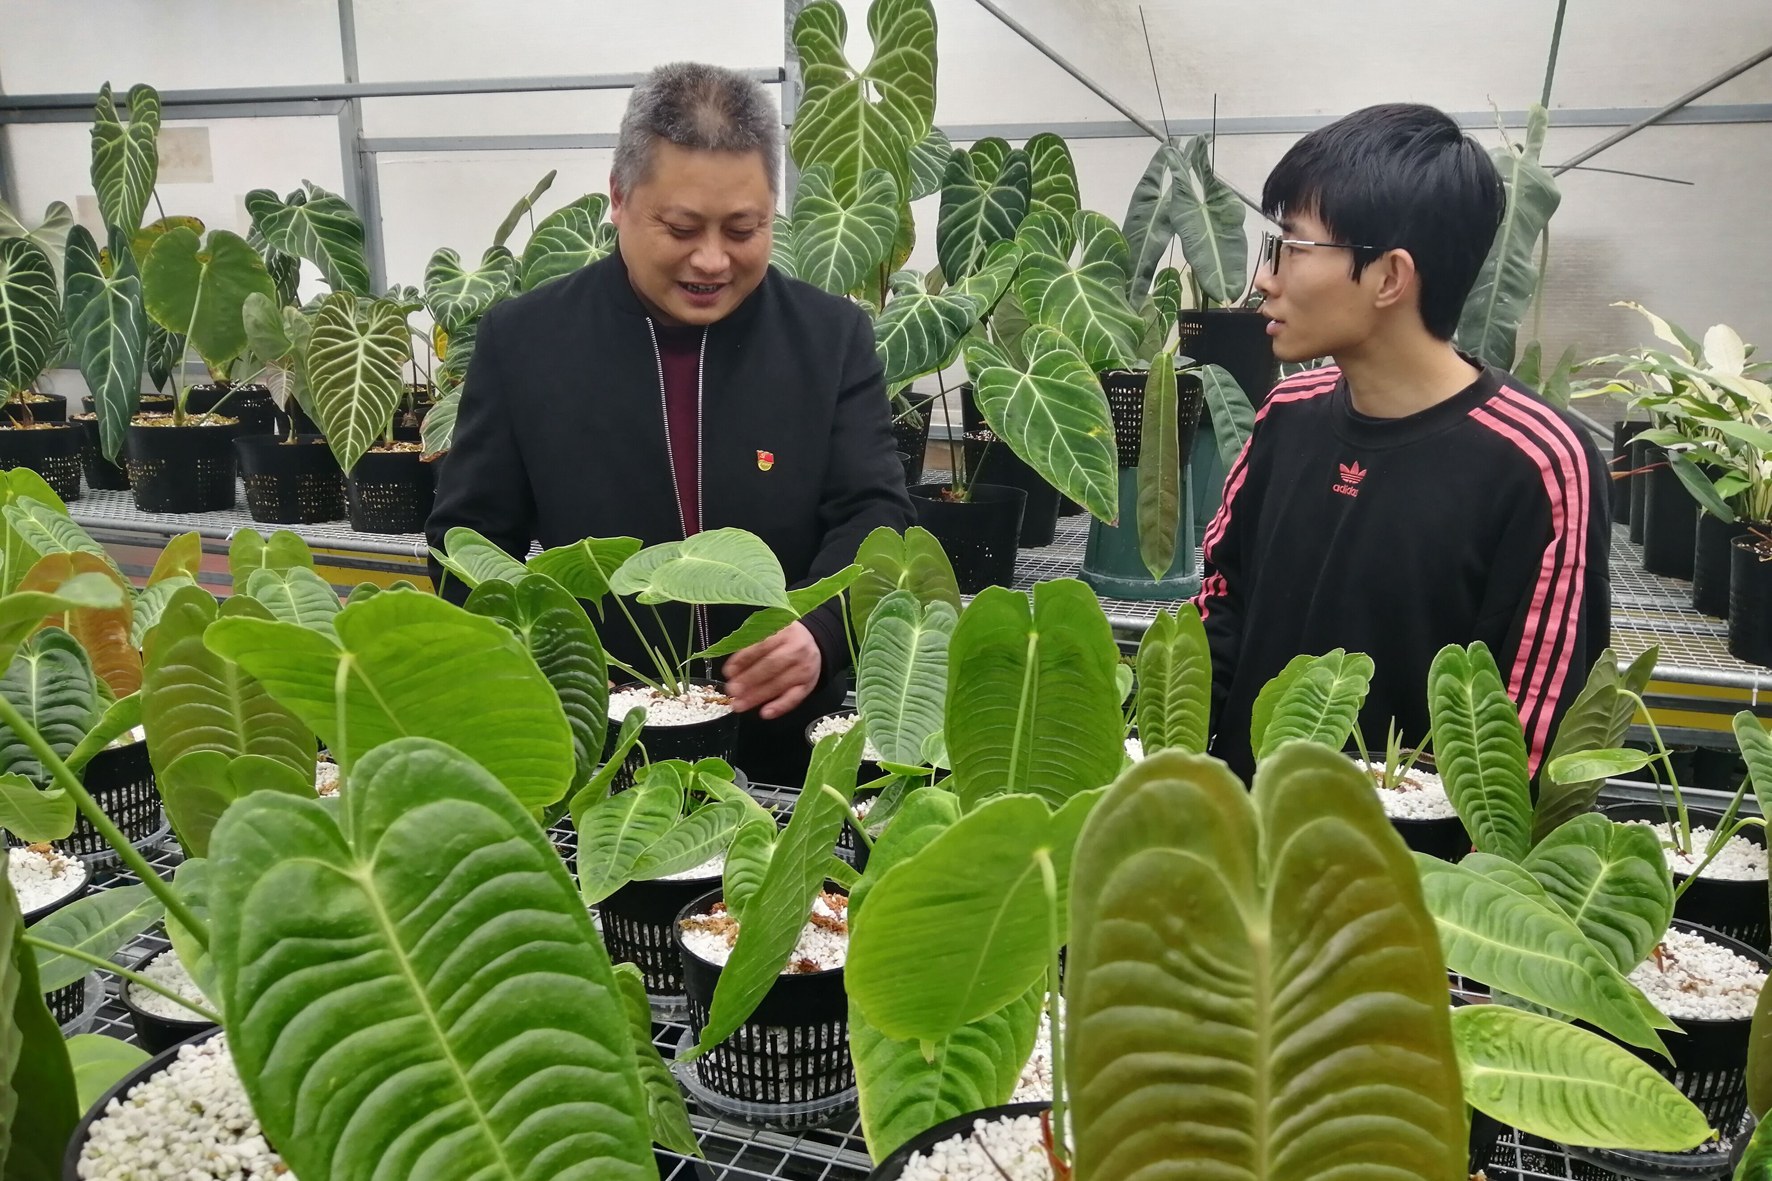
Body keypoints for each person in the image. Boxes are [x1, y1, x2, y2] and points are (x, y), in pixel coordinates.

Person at [425, 62, 913, 785]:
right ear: (619, 199)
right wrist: (542, 679)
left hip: (789, 751)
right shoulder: (527, 344)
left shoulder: (828, 337)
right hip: (601, 751)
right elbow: (467, 548)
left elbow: (876, 513)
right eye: (681, 228)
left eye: (745, 229)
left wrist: (820, 632)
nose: (712, 260)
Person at [1194, 102, 1610, 783]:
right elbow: (1220, 600)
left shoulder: (1537, 461)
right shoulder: (1286, 414)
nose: (1265, 278)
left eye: (1292, 248)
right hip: (1245, 852)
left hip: (1412, 879)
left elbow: (1534, 727)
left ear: (1390, 276)